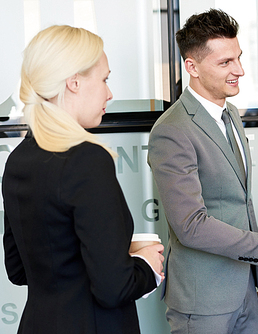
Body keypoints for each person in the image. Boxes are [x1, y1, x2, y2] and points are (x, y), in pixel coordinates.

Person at [147, 8, 258, 334]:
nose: (238, 70)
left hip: (244, 289)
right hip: (203, 300)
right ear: (191, 67)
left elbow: (240, 202)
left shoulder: (232, 114)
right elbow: (191, 226)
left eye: (238, 58)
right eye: (225, 63)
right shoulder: (172, 130)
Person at [2, 25, 165, 334]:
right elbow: (113, 288)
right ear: (73, 82)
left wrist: (112, 250)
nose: (110, 92)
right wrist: (147, 267)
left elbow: (19, 268)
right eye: (104, 79)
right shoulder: (87, 159)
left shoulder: (18, 160)